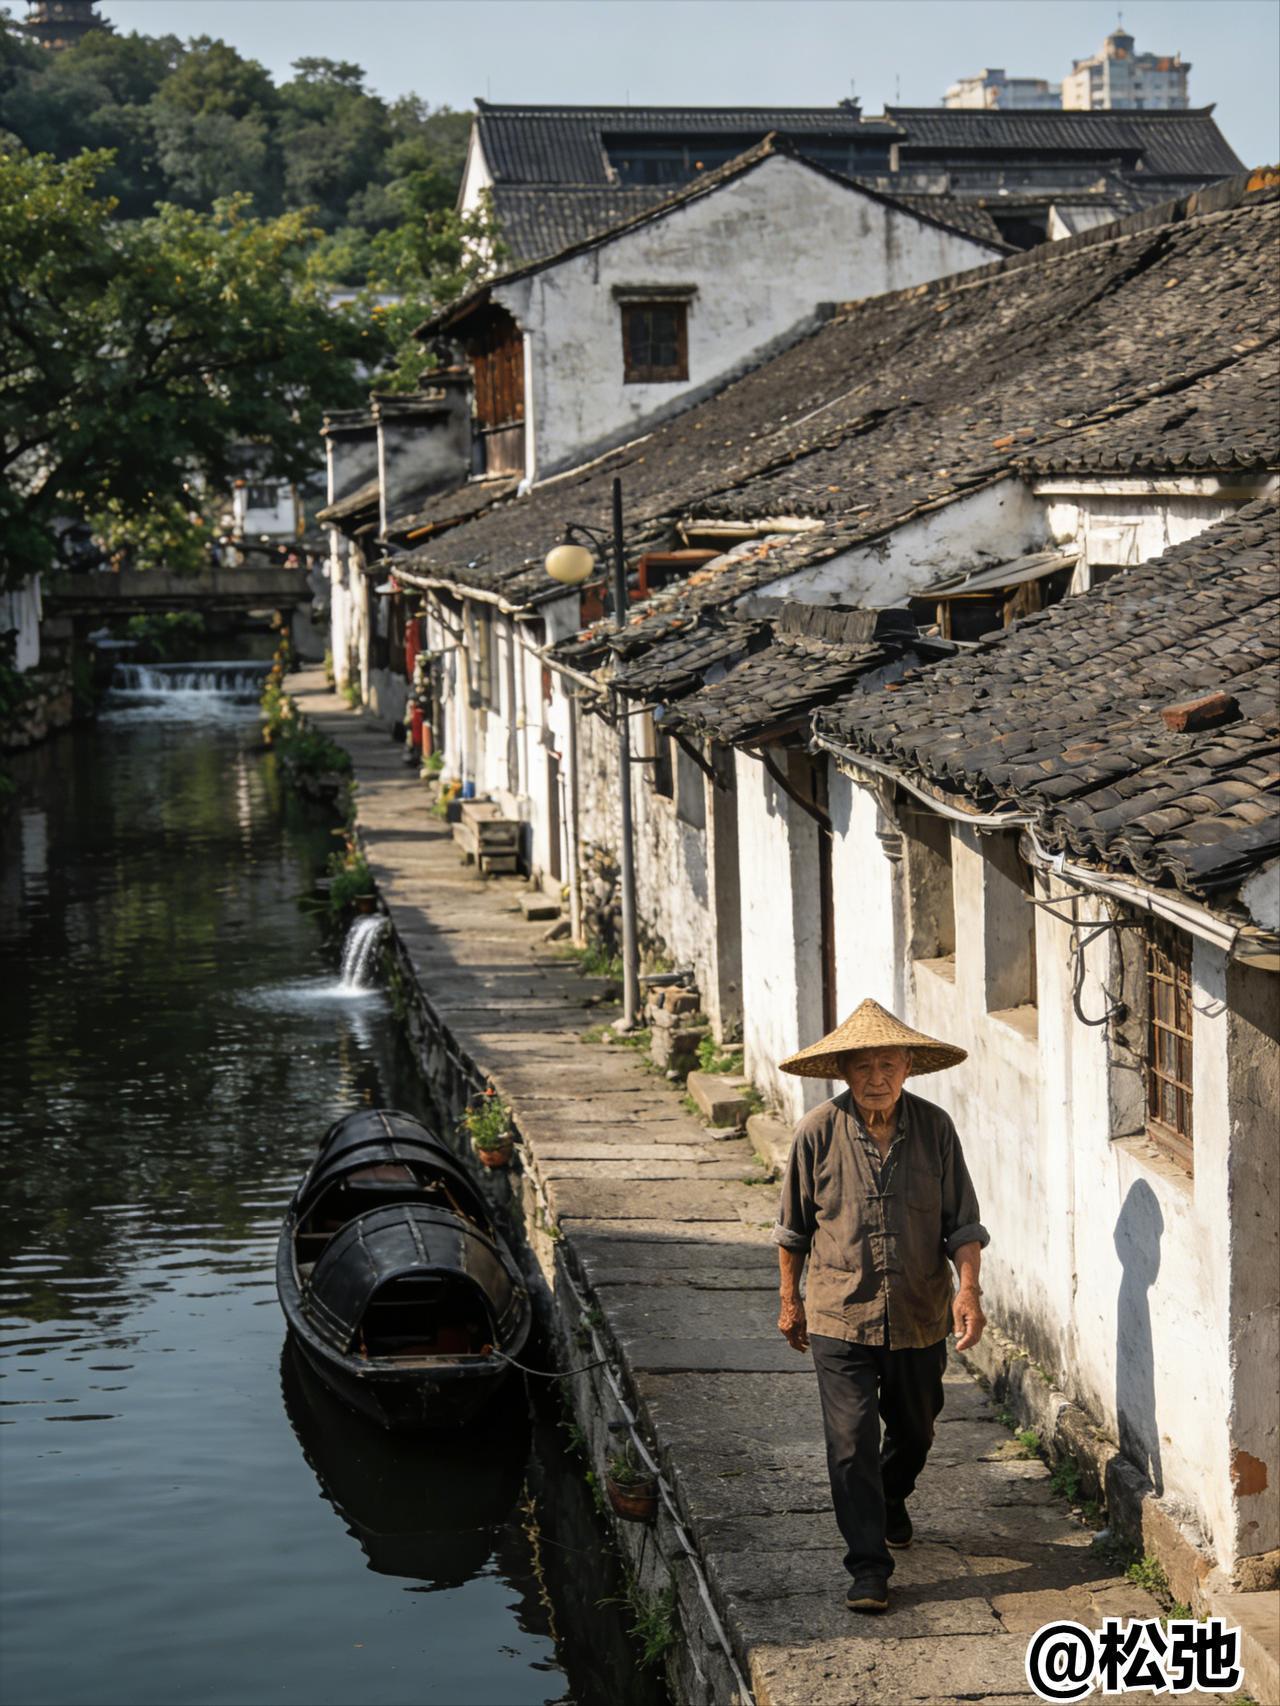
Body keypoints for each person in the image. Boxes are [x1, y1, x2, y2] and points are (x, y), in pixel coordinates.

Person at [773, 998, 988, 1614]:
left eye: (887, 1065)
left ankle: (891, 1499)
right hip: (841, 1312)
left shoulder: (937, 1128)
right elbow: (792, 1230)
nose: (875, 1078)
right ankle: (868, 1566)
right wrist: (790, 1301)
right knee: (849, 1442)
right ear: (843, 1071)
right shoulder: (816, 1131)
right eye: (863, 1066)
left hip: (920, 1309)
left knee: (916, 1429)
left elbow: (963, 1223)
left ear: (908, 1068)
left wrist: (968, 1289)